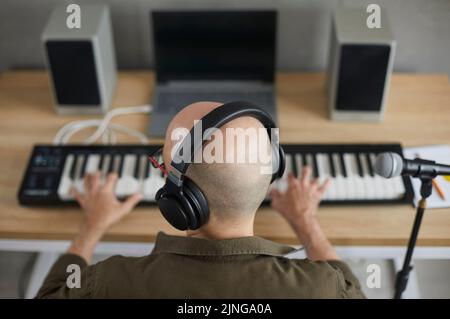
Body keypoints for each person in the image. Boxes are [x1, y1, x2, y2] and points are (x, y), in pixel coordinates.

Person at [36, 101, 365, 298]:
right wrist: (306, 222)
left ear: (179, 198)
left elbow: (51, 293)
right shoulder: (321, 286)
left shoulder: (111, 281)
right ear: (270, 176)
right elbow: (351, 287)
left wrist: (91, 227)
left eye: (161, 163)